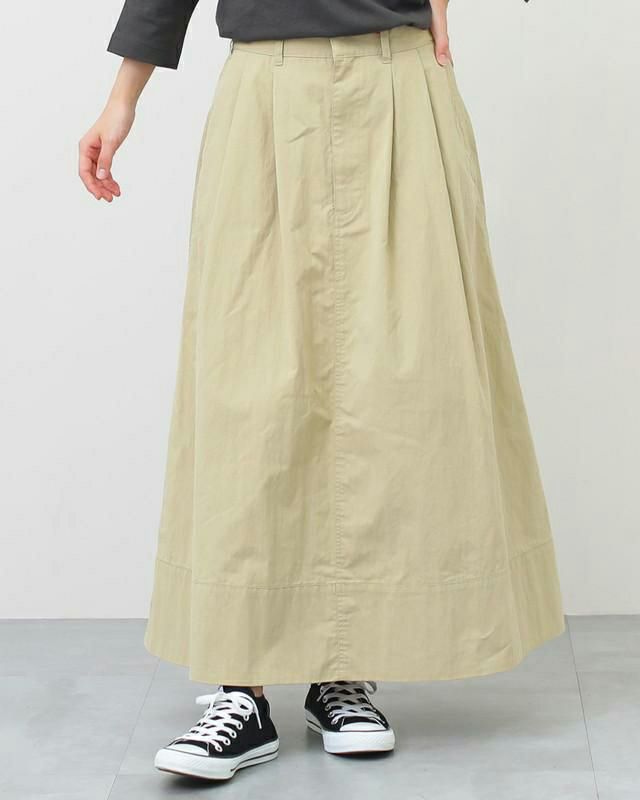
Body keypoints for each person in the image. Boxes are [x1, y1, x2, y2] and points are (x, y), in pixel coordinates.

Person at [79, 0, 565, 783]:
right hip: (266, 93)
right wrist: (122, 97)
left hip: (401, 85)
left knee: (400, 392)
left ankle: (345, 672)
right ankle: (239, 689)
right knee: (246, 391)